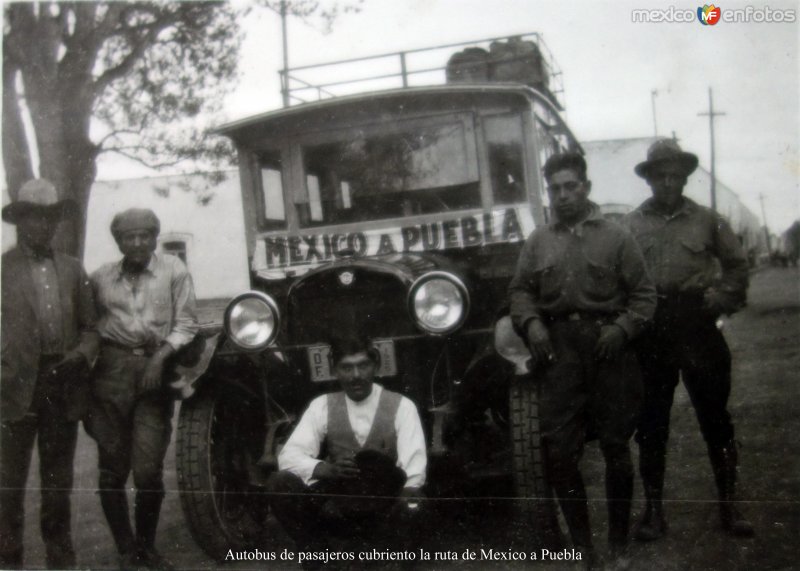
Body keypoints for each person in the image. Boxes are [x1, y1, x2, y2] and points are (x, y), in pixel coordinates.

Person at [508, 153, 656, 565]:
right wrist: (532, 324)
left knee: (615, 448)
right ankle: (584, 548)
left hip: (608, 347)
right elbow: (520, 291)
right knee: (558, 452)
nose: (562, 195)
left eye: (570, 186)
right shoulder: (539, 240)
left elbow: (644, 295)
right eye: (555, 188)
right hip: (559, 352)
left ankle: (619, 543)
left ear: (586, 188)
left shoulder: (616, 235)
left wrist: (623, 329)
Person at [624, 139, 753, 539]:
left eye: (674, 175)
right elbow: (617, 274)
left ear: (684, 178)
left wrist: (721, 298)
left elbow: (737, 265)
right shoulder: (629, 225)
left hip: (697, 323)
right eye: (659, 175)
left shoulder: (708, 220)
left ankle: (730, 508)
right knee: (651, 422)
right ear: (649, 180)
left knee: (715, 418)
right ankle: (654, 512)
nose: (667, 182)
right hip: (652, 329)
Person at [87, 208, 198, 570]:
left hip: (155, 371)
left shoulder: (174, 270)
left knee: (148, 469)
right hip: (111, 373)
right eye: (128, 236)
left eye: (143, 235)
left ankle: (147, 547)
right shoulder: (101, 277)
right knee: (111, 469)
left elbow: (186, 324)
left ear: (154, 237)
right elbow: (88, 328)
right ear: (118, 241)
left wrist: (159, 358)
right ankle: (125, 550)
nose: (136, 242)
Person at [1, 179, 99, 569]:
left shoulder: (73, 270)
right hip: (14, 387)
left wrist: (79, 355)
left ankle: (61, 562)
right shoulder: (2, 270)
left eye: (50, 217)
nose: (43, 225)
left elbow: (92, 328)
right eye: (34, 217)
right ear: (20, 221)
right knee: (8, 487)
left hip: (63, 382)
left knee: (57, 485)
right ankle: (9, 562)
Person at [268, 334, 427, 560]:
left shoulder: (402, 405)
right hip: (340, 504)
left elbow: (414, 470)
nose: (356, 376)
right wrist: (325, 468)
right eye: (346, 368)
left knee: (414, 499)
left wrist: (405, 497)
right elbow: (289, 456)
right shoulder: (322, 405)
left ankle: (390, 557)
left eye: (363, 366)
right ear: (334, 371)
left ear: (376, 366)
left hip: (384, 504)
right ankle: (318, 555)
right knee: (279, 483)